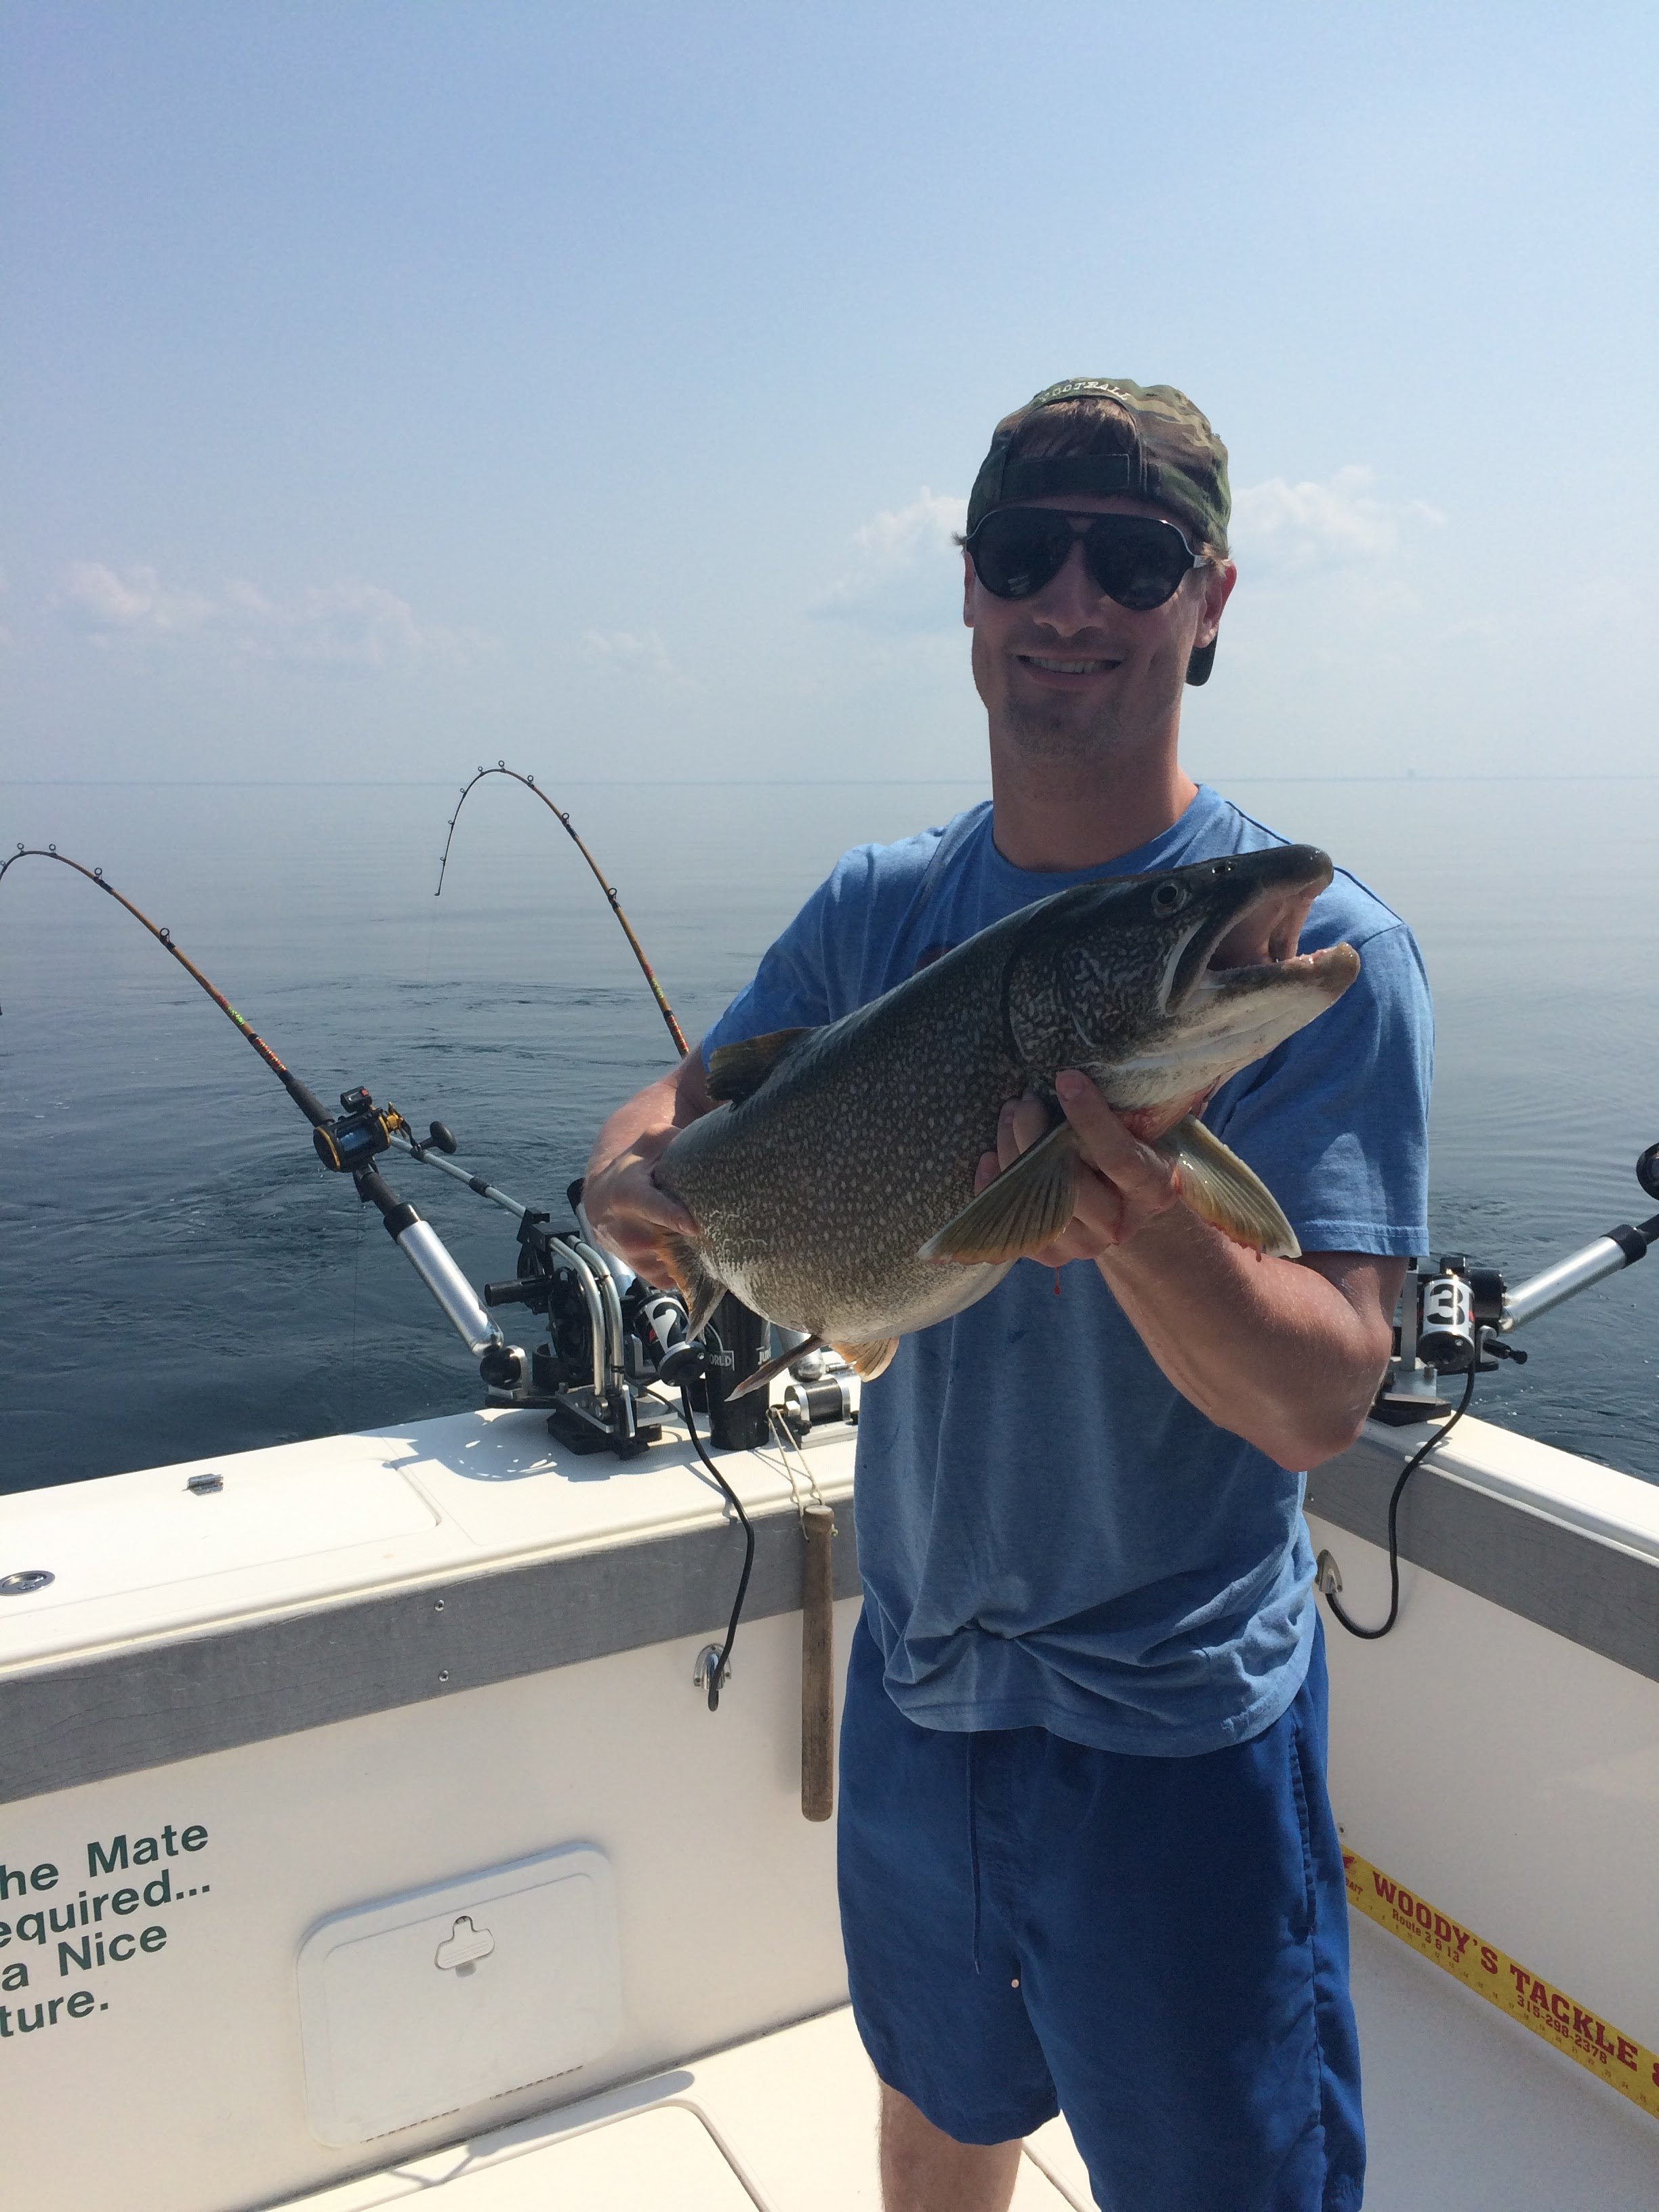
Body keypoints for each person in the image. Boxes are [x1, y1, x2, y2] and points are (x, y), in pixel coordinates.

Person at [583, 378, 1432, 2212]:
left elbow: (1316, 1402)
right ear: (968, 591)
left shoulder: (1326, 959)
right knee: (938, 2104)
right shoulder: (879, 907)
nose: (1072, 601)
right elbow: (681, 1112)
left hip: (1178, 1729)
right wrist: (630, 1180)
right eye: (1027, 555)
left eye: (1131, 562)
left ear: (1208, 602)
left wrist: (1130, 1213)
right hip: (924, 1679)